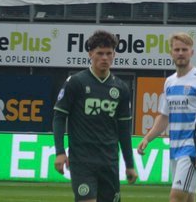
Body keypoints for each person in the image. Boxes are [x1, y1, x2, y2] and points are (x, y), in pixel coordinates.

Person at [53, 29, 137, 202]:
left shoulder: (121, 88)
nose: (104, 58)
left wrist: (129, 164)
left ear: (114, 55)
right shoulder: (76, 82)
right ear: (90, 54)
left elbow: (124, 130)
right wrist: (60, 152)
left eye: (108, 53)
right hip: (82, 160)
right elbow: (59, 117)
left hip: (109, 161)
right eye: (100, 53)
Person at [138, 32, 196, 202]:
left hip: (192, 148)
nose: (180, 53)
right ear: (171, 53)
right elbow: (164, 116)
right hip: (175, 147)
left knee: (176, 198)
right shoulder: (169, 82)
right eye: (177, 49)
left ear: (192, 52)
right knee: (188, 198)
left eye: (184, 50)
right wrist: (148, 138)